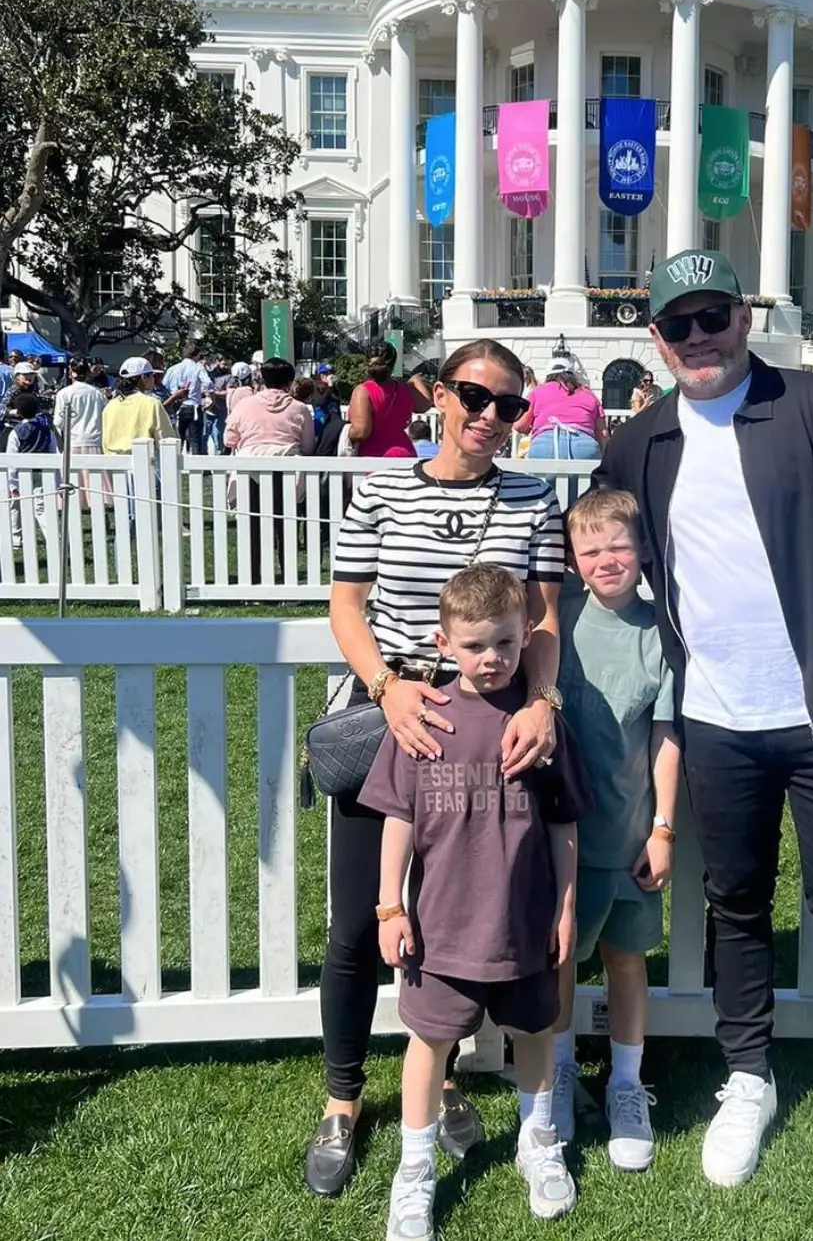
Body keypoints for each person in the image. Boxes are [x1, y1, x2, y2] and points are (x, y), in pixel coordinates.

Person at [593, 249, 813, 1218]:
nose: (699, 338)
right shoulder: (639, 443)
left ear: (743, 315)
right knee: (733, 900)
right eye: (678, 324)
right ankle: (749, 1076)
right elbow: (602, 560)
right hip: (714, 720)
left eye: (714, 316)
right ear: (655, 337)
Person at [309, 338, 566, 1200]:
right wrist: (387, 688)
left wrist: (542, 701)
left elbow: (542, 620)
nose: (489, 416)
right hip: (398, 719)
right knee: (361, 923)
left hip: (491, 727)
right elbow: (347, 602)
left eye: (508, 404)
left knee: (461, 915)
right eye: (473, 395)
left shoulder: (532, 495)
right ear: (437, 394)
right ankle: (343, 1100)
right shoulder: (380, 485)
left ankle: (443, 1073)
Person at [361, 563, 591, 1239]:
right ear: (441, 642)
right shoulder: (421, 716)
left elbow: (563, 824)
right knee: (429, 1041)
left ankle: (538, 1138)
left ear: (526, 637)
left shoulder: (541, 725)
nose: (490, 659)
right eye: (473, 645)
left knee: (535, 1031)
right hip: (439, 928)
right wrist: (388, 906)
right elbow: (397, 818)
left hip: (523, 922)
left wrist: (566, 906)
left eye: (504, 643)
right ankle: (414, 1170)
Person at [549, 488, 678, 1172]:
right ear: (572, 557)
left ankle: (626, 1083)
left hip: (629, 835)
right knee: (562, 958)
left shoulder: (662, 631)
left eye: (619, 545)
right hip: (563, 838)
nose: (606, 559)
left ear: (642, 550)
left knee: (628, 961)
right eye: (590, 548)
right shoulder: (556, 622)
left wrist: (661, 828)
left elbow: (663, 734)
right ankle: (562, 1070)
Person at [223, 357, 315, 584]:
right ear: (290, 381)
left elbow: (228, 439)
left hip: (249, 469)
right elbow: (308, 445)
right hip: (285, 469)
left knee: (251, 527)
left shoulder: (244, 405)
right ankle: (289, 581)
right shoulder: (300, 408)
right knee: (285, 526)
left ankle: (252, 580)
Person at [102, 357, 177, 517]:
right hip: (145, 467)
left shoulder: (110, 406)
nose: (153, 379)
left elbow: (106, 442)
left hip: (117, 467)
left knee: (125, 517)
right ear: (143, 378)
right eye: (150, 375)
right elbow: (166, 438)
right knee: (147, 517)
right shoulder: (151, 404)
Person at [346, 342, 432, 459]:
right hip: (404, 452)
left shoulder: (363, 391)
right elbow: (426, 404)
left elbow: (360, 432)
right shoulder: (406, 389)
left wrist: (340, 432)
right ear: (393, 363)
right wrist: (416, 380)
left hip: (373, 456)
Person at [522, 361, 607, 460]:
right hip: (584, 445)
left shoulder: (537, 392)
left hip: (545, 444)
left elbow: (520, 425)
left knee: (540, 473)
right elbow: (602, 433)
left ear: (548, 376)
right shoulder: (589, 394)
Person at [54, 357, 108, 509]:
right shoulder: (97, 393)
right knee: (95, 480)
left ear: (71, 372)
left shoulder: (64, 393)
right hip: (94, 439)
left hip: (74, 440)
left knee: (72, 477)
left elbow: (58, 421)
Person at [6, 390, 56, 549]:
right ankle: (52, 537)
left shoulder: (16, 432)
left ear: (19, 412)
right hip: (42, 473)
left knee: (16, 506)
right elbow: (53, 451)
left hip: (22, 475)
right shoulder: (47, 429)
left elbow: (11, 458)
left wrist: (12, 484)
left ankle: (16, 538)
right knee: (40, 508)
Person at [162, 341, 212, 454]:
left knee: (177, 441)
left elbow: (164, 384)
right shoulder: (198, 368)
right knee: (195, 441)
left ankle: (174, 467)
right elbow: (208, 383)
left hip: (176, 406)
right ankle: (196, 470)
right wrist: (204, 392)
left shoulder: (173, 368)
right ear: (197, 355)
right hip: (193, 406)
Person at [204, 357, 232, 455]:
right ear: (217, 362)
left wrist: (214, 393)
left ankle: (218, 461)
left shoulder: (230, 376)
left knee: (218, 436)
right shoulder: (209, 375)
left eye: (228, 364)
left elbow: (228, 392)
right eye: (224, 364)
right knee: (204, 437)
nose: (226, 366)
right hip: (208, 411)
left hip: (221, 412)